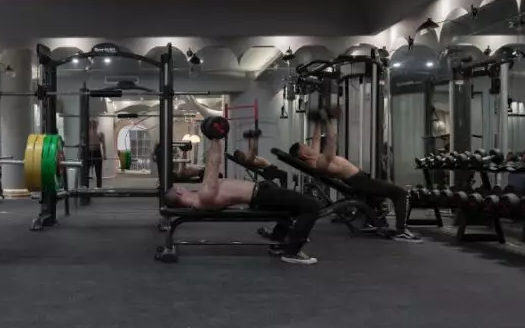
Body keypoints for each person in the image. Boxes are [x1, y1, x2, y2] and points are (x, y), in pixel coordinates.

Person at [164, 136, 321, 265]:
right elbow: (213, 164)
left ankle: (278, 243)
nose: (183, 187)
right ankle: (292, 252)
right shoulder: (203, 196)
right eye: (180, 187)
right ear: (179, 192)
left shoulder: (200, 198)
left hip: (262, 194)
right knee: (311, 206)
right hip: (262, 195)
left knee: (293, 208)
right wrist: (215, 138)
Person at [295, 107, 422, 243]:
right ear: (303, 155)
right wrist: (328, 121)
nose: (307, 145)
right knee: (401, 193)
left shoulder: (315, 157)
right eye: (303, 146)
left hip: (360, 180)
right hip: (360, 182)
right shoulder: (319, 162)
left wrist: (318, 121)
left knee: (378, 199)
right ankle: (401, 231)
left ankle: (374, 221)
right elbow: (331, 141)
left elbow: (316, 138)